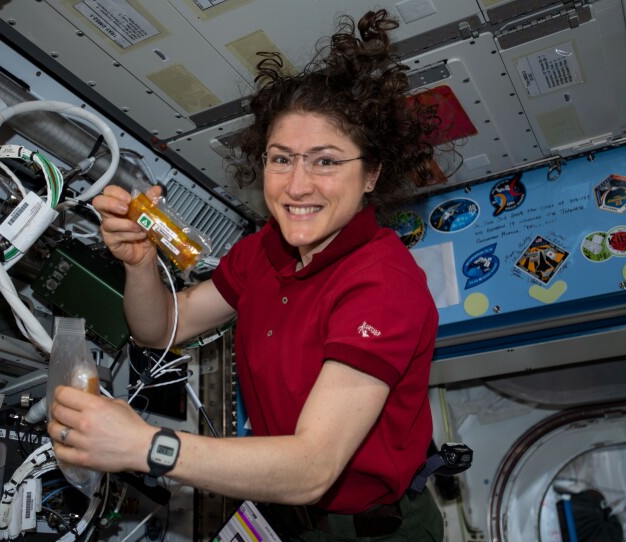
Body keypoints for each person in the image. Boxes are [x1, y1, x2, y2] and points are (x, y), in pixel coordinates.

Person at [49, 9, 443, 540]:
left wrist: (147, 446)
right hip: (284, 510)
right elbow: (161, 326)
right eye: (281, 159)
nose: (297, 185)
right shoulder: (263, 251)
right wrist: (140, 264)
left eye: (325, 161)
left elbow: (314, 466)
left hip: (371, 528)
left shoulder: (383, 282)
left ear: (371, 174)